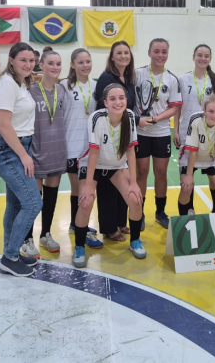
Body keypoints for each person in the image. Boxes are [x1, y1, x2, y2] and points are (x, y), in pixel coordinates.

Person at [73, 84, 145, 268]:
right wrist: (88, 186)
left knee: (135, 199)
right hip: (93, 165)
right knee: (86, 201)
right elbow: (93, 153)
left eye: (121, 98)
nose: (117, 102)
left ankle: (135, 241)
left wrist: (134, 182)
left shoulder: (129, 117)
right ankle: (79, 246)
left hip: (116, 166)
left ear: (126, 100)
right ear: (105, 102)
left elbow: (131, 151)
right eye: (112, 99)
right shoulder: (97, 118)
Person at [0, 42, 41, 277]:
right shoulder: (6, 84)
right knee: (33, 203)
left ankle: (11, 254)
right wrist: (24, 155)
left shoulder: (21, 83)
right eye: (23, 60)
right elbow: (4, 124)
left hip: (18, 146)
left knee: (16, 204)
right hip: (7, 150)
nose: (28, 65)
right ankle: (9, 257)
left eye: (31, 61)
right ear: (11, 60)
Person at [20, 49, 68, 258]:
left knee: (51, 196)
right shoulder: (30, 90)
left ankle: (45, 234)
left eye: (58, 64)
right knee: (34, 199)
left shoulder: (62, 90)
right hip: (36, 150)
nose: (55, 67)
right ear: (41, 65)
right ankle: (27, 238)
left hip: (57, 150)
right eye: (51, 63)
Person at [93, 41, 141, 240]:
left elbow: (128, 108)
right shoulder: (106, 78)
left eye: (126, 53)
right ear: (112, 57)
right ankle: (109, 228)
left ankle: (121, 222)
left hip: (124, 133)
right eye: (119, 53)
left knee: (125, 180)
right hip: (107, 135)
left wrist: (135, 119)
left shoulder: (129, 77)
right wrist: (139, 120)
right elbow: (104, 107)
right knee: (107, 185)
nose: (123, 56)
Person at [134, 38, 182, 229]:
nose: (160, 55)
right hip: (141, 132)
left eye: (164, 52)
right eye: (156, 51)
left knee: (161, 173)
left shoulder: (171, 79)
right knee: (142, 172)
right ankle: (139, 212)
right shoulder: (137, 74)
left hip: (161, 133)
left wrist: (157, 118)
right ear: (149, 53)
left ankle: (160, 212)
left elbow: (174, 108)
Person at [174, 44, 215, 208]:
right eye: (199, 55)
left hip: (210, 136)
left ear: (210, 59)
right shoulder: (183, 79)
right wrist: (176, 130)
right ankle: (189, 213)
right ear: (193, 57)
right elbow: (177, 107)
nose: (202, 58)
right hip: (187, 134)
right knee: (186, 185)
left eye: (206, 56)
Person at [61, 48, 103, 249]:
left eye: (88, 61)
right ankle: (80, 227)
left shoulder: (96, 86)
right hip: (71, 146)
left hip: (91, 148)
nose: (85, 65)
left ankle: (76, 224)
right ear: (72, 64)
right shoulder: (64, 86)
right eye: (81, 62)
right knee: (78, 189)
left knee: (85, 189)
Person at [179, 95, 215, 215]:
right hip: (189, 157)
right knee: (186, 188)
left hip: (210, 158)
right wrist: (189, 176)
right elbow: (192, 150)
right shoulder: (196, 120)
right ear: (204, 110)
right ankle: (185, 217)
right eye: (211, 111)